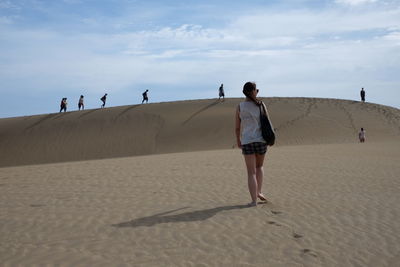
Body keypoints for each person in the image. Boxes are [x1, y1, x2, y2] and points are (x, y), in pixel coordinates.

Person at [235, 81, 269, 207]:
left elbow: (237, 128)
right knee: (259, 167)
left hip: (247, 141)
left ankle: (254, 200)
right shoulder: (261, 105)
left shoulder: (240, 107)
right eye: (257, 90)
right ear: (254, 91)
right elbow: (267, 124)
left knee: (251, 172)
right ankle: (259, 192)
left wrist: (238, 141)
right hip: (261, 140)